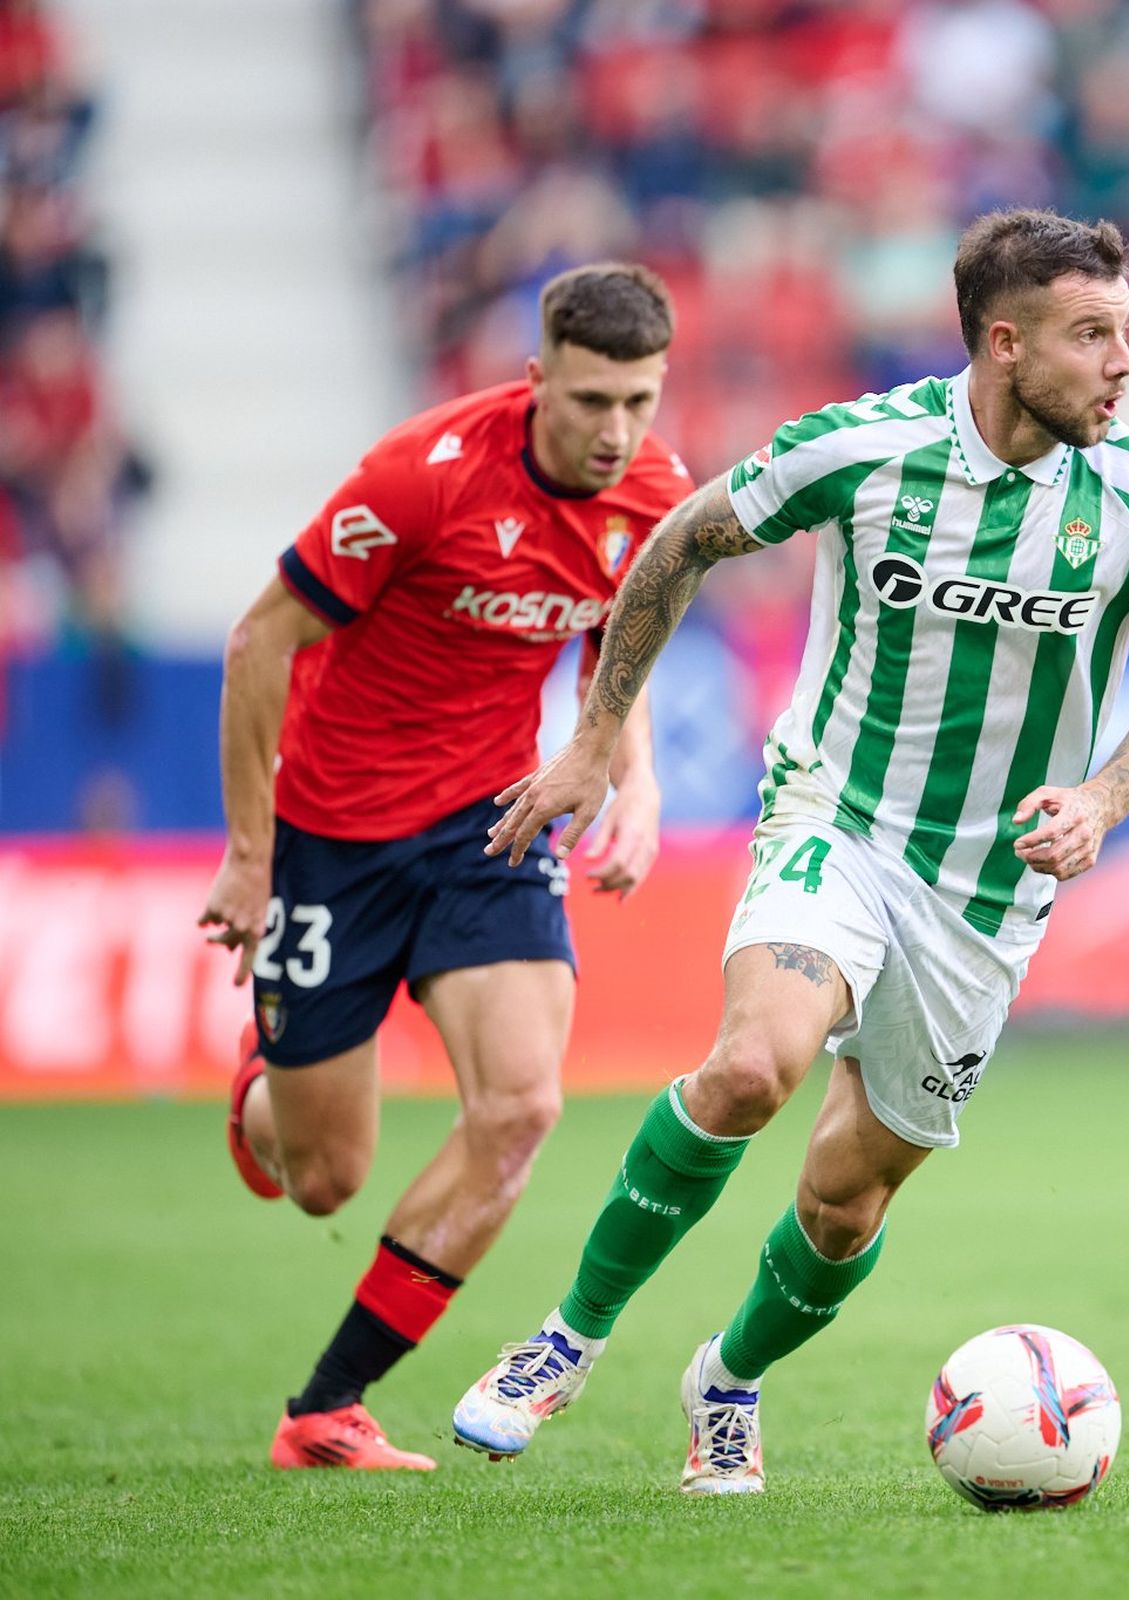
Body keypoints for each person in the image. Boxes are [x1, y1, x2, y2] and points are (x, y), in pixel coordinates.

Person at [450, 209, 1129, 1493]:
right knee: (754, 1067)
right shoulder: (862, 449)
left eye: (1123, 333)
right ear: (1004, 342)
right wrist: (595, 742)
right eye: (1091, 335)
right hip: (841, 819)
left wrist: (1101, 798)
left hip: (990, 897)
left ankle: (728, 1380)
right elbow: (676, 542)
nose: (1122, 363)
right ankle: (565, 1340)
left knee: (842, 1203)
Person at [197, 262, 692, 1471]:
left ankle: (327, 1408)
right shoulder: (418, 481)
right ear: (536, 382)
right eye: (589, 401)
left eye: (637, 401)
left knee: (522, 1105)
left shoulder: (658, 496)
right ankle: (265, 1088)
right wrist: (250, 856)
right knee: (323, 1176)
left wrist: (634, 781)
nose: (614, 431)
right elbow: (262, 638)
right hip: (331, 832)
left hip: (489, 827)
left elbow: (612, 652)